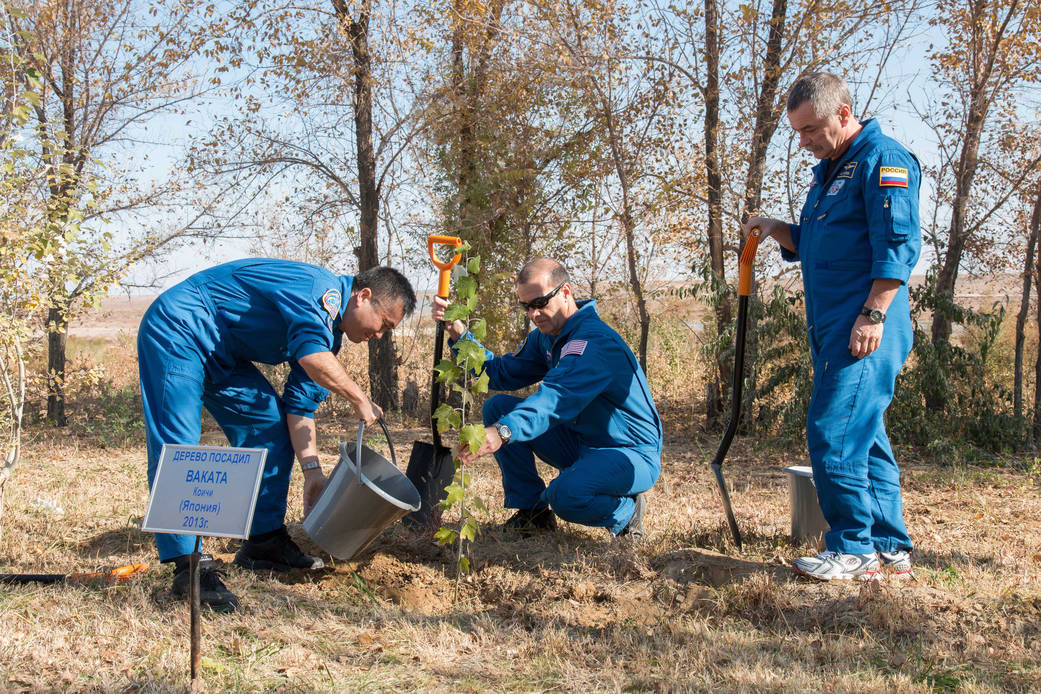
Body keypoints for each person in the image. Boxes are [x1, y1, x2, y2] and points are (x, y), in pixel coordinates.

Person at [138, 260, 416, 611]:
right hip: (181, 326)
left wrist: (313, 472)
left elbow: (299, 408)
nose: (379, 336)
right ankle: (188, 567)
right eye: (383, 325)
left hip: (223, 352)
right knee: (177, 443)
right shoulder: (321, 291)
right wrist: (359, 398)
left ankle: (263, 542)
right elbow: (312, 359)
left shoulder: (328, 338)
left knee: (268, 425)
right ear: (363, 296)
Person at [745, 72, 920, 581]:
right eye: (797, 131)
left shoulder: (883, 159)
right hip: (832, 326)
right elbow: (819, 244)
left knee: (833, 431)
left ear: (844, 114)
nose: (803, 141)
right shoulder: (829, 171)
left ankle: (853, 549)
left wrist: (873, 314)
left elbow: (898, 246)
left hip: (863, 324)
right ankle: (888, 547)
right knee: (865, 436)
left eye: (810, 129)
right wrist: (777, 229)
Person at [432, 258, 662, 539]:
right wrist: (459, 335)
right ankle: (534, 514)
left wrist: (503, 432)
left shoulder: (594, 343)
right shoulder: (548, 337)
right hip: (581, 443)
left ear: (565, 292)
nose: (533, 313)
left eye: (540, 303)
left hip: (628, 452)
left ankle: (627, 513)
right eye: (526, 306)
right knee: (497, 407)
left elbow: (556, 399)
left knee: (565, 495)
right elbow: (501, 373)